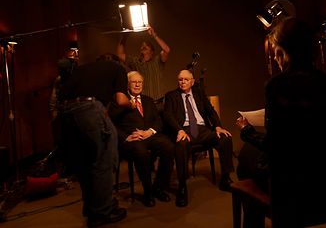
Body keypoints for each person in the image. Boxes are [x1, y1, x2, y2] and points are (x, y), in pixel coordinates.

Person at [235, 17, 326, 228]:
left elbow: (275, 146)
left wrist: (246, 131)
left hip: (292, 185)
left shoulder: (277, 86)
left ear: (281, 52)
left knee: (245, 158)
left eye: (276, 52)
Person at [58, 53, 133, 228]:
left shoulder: (82, 68)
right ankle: (102, 212)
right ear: (115, 61)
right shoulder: (118, 68)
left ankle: (92, 208)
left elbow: (62, 94)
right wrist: (132, 104)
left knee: (83, 163)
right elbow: (121, 100)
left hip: (65, 113)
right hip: (89, 107)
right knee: (104, 161)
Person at [163, 69, 234, 207]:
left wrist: (218, 126)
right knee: (180, 145)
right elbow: (168, 116)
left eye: (186, 79)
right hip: (184, 130)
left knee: (225, 138)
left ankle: (225, 178)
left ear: (192, 81)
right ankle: (182, 187)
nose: (182, 82)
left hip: (202, 130)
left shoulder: (199, 93)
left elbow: (210, 111)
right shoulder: (171, 96)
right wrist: (178, 130)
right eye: (180, 79)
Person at [109, 71, 174, 207]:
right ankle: (148, 191)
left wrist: (149, 132)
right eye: (134, 82)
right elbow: (111, 124)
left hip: (148, 136)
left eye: (140, 82)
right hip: (132, 140)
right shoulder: (119, 100)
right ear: (128, 84)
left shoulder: (148, 100)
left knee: (169, 146)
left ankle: (159, 187)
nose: (137, 85)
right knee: (141, 152)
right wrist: (126, 137)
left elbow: (158, 121)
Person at [116, 26, 170, 103]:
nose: (144, 46)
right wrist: (125, 36)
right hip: (144, 103)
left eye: (147, 45)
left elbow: (166, 50)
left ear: (152, 51)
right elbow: (120, 54)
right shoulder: (135, 62)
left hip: (160, 102)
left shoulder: (157, 60)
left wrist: (154, 35)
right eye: (142, 45)